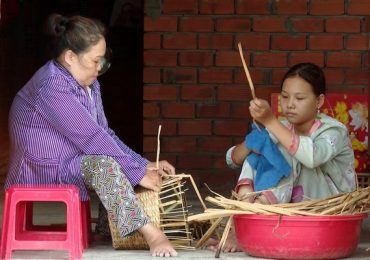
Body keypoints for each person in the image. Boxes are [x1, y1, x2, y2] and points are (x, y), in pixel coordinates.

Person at [4, 13, 177, 257]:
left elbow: (104, 133)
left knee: (113, 159)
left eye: (103, 62)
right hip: (41, 166)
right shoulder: (52, 85)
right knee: (103, 165)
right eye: (95, 61)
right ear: (70, 57)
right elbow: (92, 139)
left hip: (69, 159)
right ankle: (152, 233)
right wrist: (137, 172)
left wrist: (144, 164)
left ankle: (112, 231)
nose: (100, 68)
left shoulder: (88, 84)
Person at [208, 62, 357, 253]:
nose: (290, 104)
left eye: (300, 98)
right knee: (261, 151)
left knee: (287, 150)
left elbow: (311, 156)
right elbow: (233, 159)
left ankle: (253, 212)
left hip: (325, 207)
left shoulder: (334, 130)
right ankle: (245, 211)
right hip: (289, 205)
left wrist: (270, 121)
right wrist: (252, 143)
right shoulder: (283, 126)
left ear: (319, 102)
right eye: (285, 97)